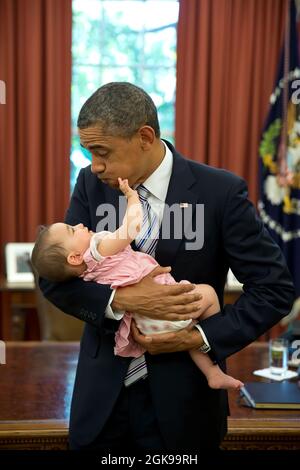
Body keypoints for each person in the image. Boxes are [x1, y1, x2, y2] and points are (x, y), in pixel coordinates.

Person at [39, 82, 295, 452]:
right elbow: (54, 277)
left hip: (187, 403)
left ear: (145, 137)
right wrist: (122, 300)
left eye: (101, 151)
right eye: (87, 152)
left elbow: (275, 289)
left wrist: (200, 338)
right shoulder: (89, 185)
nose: (94, 166)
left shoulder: (220, 193)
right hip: (101, 407)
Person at [32, 177, 244, 392]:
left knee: (189, 329)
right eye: (71, 230)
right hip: (166, 306)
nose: (78, 224)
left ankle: (211, 373)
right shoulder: (97, 250)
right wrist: (132, 198)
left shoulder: (84, 272)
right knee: (207, 296)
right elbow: (131, 228)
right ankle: (213, 367)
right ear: (75, 258)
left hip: (145, 325)